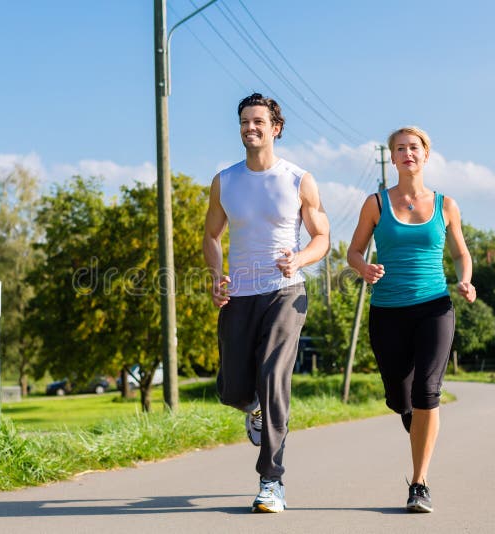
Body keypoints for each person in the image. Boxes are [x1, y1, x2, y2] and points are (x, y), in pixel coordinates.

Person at [203, 93, 330, 513]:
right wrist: (216, 275)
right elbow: (211, 236)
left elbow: (322, 237)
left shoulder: (298, 180)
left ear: (275, 128)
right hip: (238, 294)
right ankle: (252, 408)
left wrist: (300, 258)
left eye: (258, 121)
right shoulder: (225, 180)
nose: (249, 128)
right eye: (244, 121)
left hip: (284, 291)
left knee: (274, 376)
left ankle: (271, 481)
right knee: (233, 388)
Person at [347, 126, 476, 513]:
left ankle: (419, 484)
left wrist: (465, 280)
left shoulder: (445, 205)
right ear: (393, 157)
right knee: (400, 398)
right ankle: (414, 419)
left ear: (426, 155)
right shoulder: (376, 204)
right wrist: (364, 268)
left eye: (414, 147)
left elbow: (460, 253)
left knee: (427, 391)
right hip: (387, 310)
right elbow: (353, 252)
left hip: (434, 306)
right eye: (400, 148)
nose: (407, 153)